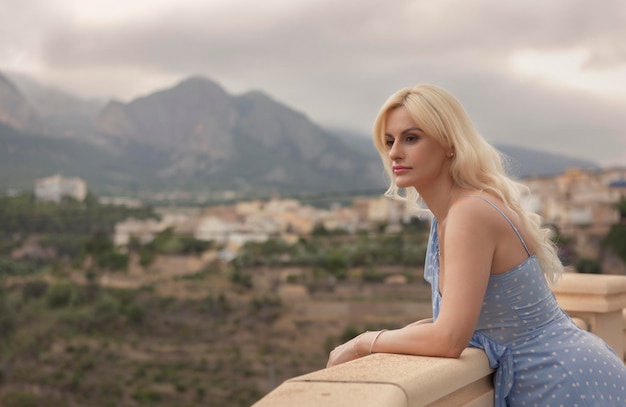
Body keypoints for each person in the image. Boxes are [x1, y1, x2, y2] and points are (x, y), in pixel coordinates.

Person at [326, 84, 626, 405]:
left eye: (411, 138)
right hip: (555, 377)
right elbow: (461, 322)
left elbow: (449, 339)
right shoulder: (451, 215)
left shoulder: (468, 213)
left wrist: (365, 342)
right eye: (389, 141)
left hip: (564, 382)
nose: (395, 152)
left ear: (449, 144)